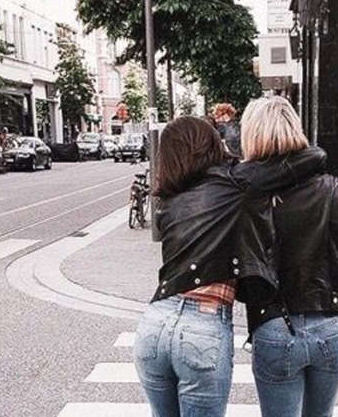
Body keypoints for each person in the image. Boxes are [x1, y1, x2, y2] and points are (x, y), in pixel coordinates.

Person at [133, 116, 325, 417]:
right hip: (202, 324)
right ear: (211, 144)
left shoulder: (168, 201)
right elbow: (313, 158)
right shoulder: (236, 182)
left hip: (154, 323)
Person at [241, 96, 338, 417]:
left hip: (275, 324)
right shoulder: (333, 189)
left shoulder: (245, 196)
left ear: (251, 135)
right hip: (333, 322)